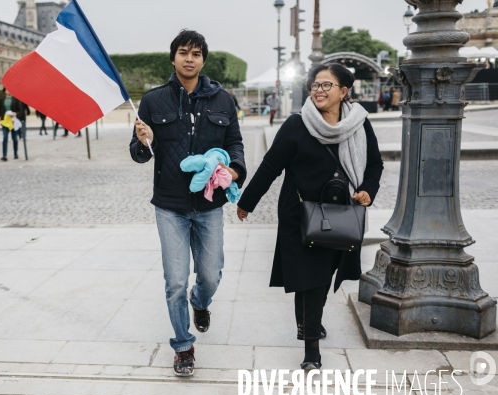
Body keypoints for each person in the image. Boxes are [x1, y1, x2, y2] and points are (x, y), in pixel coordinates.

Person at [236, 63, 383, 371]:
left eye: (327, 85)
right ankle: (311, 348)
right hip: (299, 215)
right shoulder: (296, 124)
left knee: (320, 276)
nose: (319, 90)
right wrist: (246, 202)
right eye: (315, 85)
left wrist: (368, 190)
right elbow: (270, 167)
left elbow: (374, 165)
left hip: (341, 214)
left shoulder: (359, 124)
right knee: (311, 278)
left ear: (344, 91)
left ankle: (307, 322)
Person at [130, 29, 246, 377]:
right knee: (175, 280)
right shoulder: (153, 100)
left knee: (210, 275)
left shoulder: (223, 100)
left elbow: (235, 142)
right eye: (183, 52)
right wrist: (142, 142)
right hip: (170, 206)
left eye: (196, 53)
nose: (189, 58)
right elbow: (139, 155)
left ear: (203, 60)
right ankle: (183, 345)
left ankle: (201, 301)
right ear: (173, 58)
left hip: (209, 205)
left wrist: (236, 169)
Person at [0, 88, 23, 161]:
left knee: (14, 139)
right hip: (5, 121)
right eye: (7, 89)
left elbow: (21, 111)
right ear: (4, 91)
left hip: (13, 121)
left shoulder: (16, 99)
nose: (9, 91)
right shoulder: (2, 100)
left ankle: (15, 153)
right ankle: (4, 155)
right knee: (5, 138)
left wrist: (16, 114)